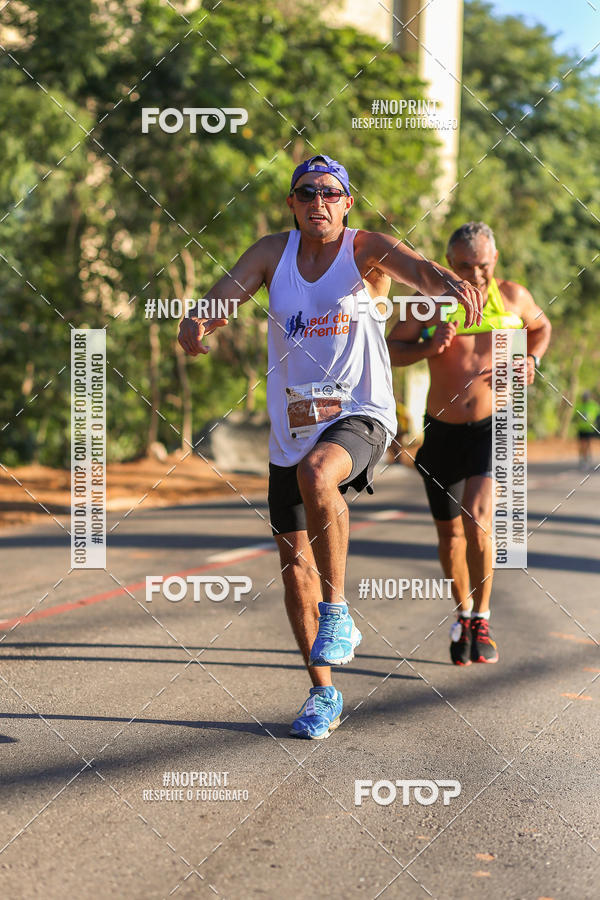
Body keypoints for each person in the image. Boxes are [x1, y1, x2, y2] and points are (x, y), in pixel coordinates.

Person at [178, 156, 481, 737]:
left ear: (347, 202)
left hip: (359, 412)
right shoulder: (273, 253)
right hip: (288, 427)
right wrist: (197, 320)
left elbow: (421, 271)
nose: (318, 200)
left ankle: (338, 610)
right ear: (292, 203)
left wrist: (451, 285)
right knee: (295, 570)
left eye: (330, 192)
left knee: (320, 474)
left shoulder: (365, 250)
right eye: (306, 192)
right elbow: (225, 293)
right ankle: (323, 694)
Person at [387, 221, 551, 666]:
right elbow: (390, 350)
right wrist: (426, 348)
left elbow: (539, 328)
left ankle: (482, 617)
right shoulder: (428, 302)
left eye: (482, 266)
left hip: (495, 425)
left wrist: (530, 359)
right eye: (464, 266)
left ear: (494, 260)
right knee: (450, 537)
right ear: (449, 260)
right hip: (440, 431)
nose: (475, 275)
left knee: (478, 518)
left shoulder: (513, 296)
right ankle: (462, 614)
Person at [576, 391, 600, 470]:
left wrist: (596, 421)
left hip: (589, 428)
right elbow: (575, 415)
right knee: (582, 445)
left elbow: (598, 413)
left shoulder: (593, 405)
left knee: (586, 444)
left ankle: (586, 459)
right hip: (581, 428)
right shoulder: (579, 405)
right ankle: (583, 459)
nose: (584, 399)